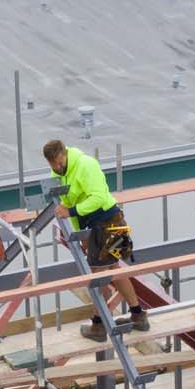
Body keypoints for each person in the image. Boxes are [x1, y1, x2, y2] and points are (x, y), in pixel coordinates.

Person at [45, 138, 150, 340]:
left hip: (109, 221)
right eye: (54, 165)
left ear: (64, 154)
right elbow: (67, 205)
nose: (58, 168)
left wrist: (73, 212)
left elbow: (98, 199)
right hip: (101, 225)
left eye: (59, 163)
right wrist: (81, 235)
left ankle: (99, 325)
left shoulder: (86, 165)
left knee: (98, 276)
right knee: (113, 270)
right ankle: (138, 315)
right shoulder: (58, 174)